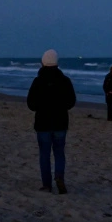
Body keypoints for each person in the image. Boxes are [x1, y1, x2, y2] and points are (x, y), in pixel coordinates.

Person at [26, 49, 76, 194]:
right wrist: (60, 106)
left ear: (43, 62)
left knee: (44, 154)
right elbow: (71, 101)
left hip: (43, 123)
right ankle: (59, 176)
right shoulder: (65, 80)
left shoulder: (38, 81)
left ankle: (47, 185)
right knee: (59, 153)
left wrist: (42, 106)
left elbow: (31, 104)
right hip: (60, 122)